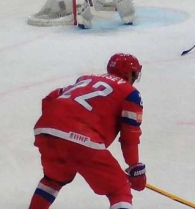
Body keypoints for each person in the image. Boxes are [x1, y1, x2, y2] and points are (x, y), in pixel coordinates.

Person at [29, 53, 147, 209]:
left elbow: (50, 98)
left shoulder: (86, 80)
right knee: (119, 189)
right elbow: (129, 136)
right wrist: (134, 167)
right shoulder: (130, 94)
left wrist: (56, 126)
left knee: (53, 179)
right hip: (82, 138)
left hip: (46, 131)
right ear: (130, 73)